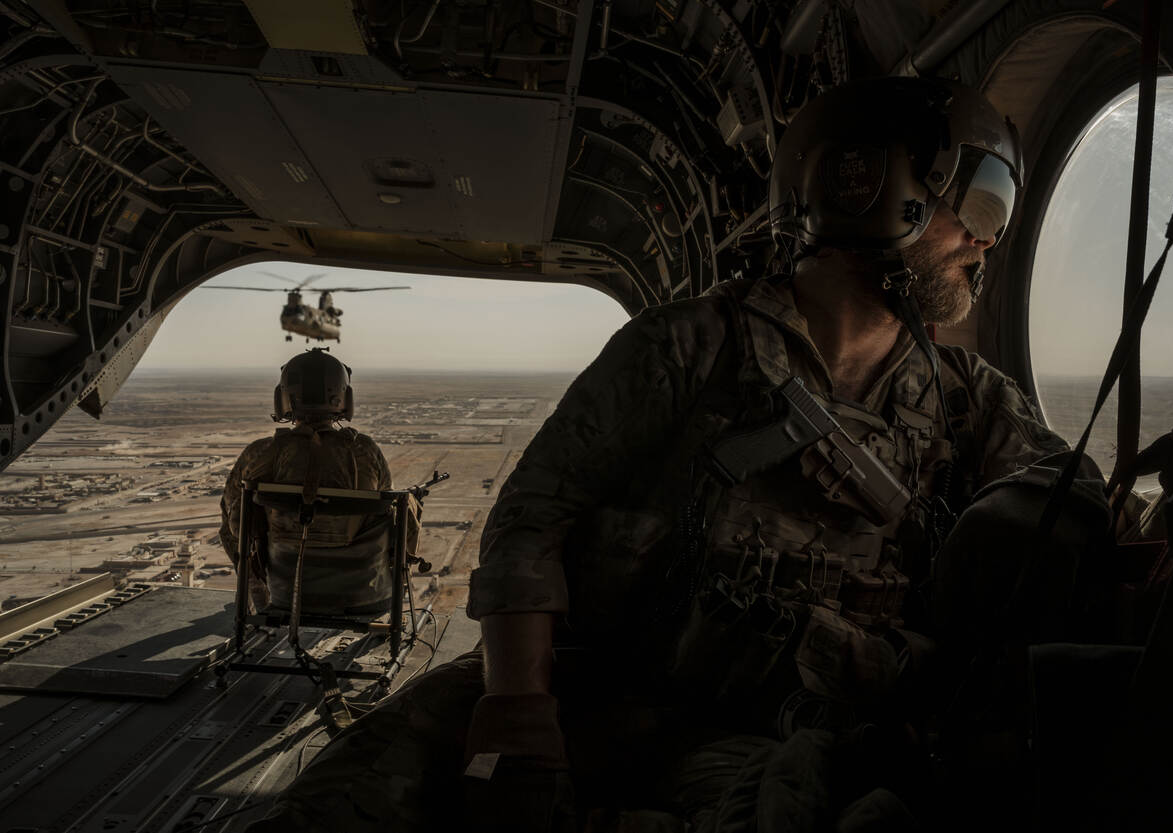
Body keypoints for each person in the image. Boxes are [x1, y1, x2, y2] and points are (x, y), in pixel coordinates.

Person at [246, 78, 1106, 832]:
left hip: (795, 730)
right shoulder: (686, 348)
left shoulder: (969, 400)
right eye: (980, 203)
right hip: (601, 688)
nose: (987, 240)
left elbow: (1073, 497)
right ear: (869, 187)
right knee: (337, 804)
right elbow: (533, 515)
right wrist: (515, 711)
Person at [220, 348, 411, 616]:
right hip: (366, 598)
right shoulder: (365, 451)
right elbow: (385, 517)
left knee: (231, 519)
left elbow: (235, 523)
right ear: (344, 399)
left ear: (283, 399)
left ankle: (257, 603)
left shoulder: (260, 454)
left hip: (284, 597)